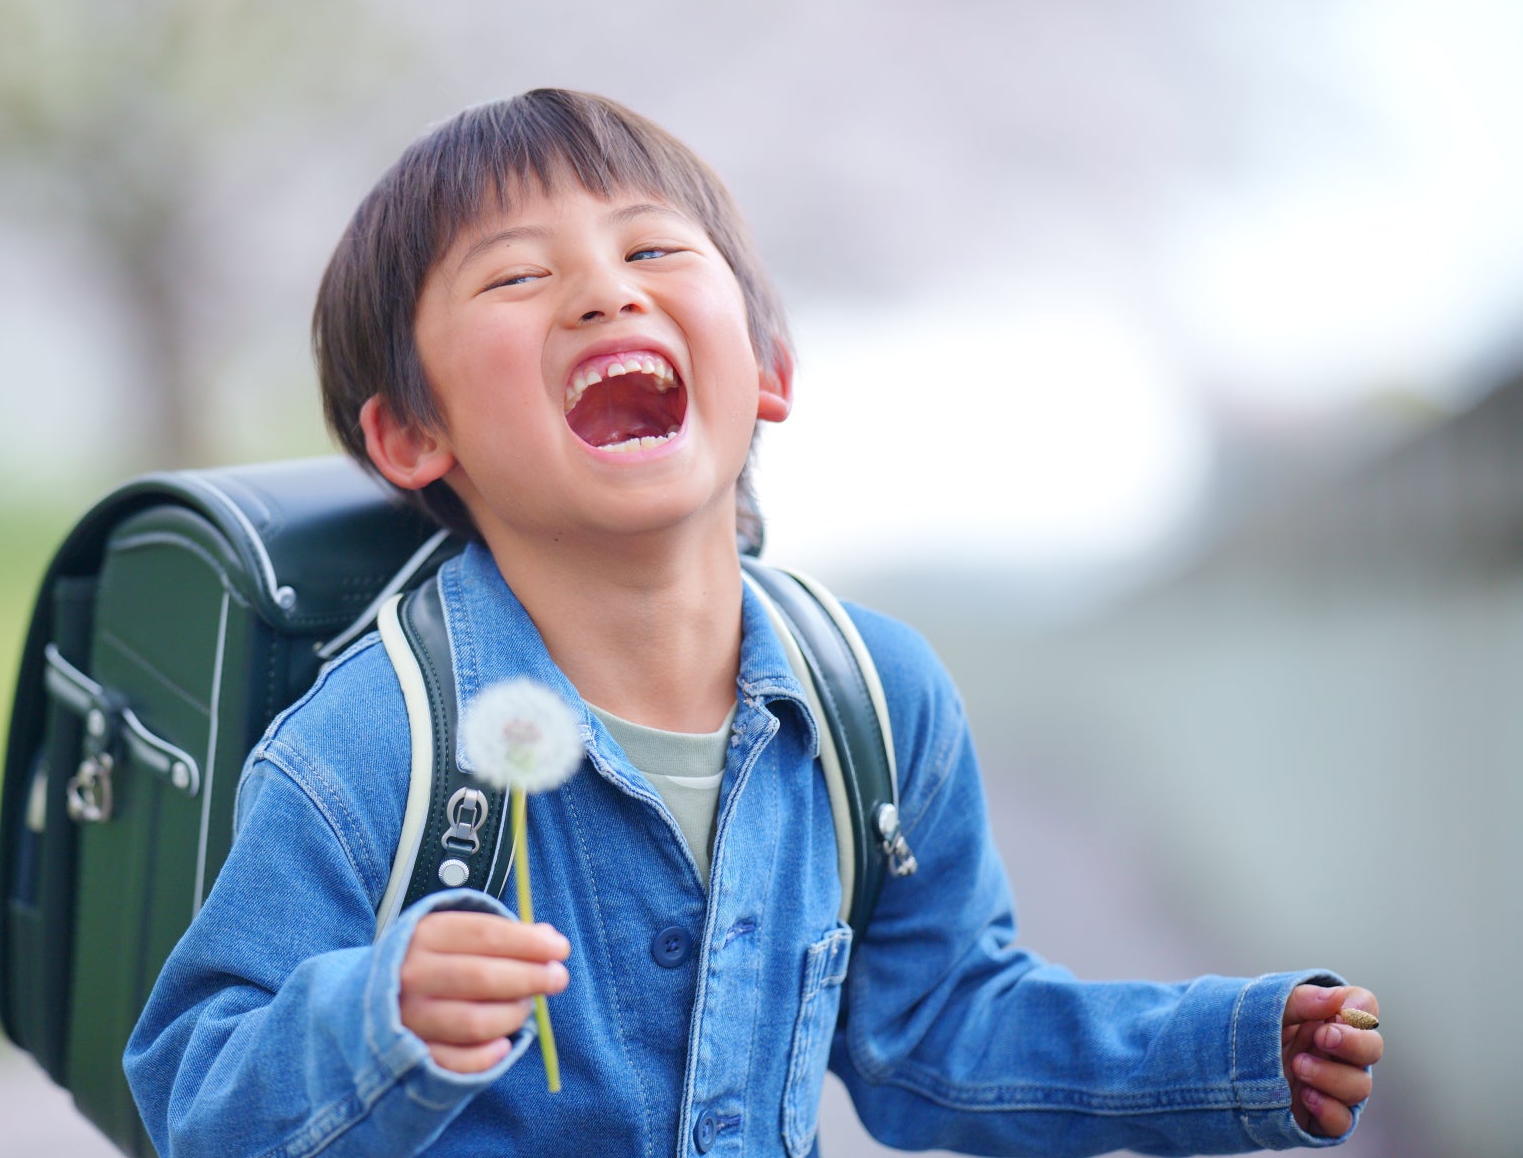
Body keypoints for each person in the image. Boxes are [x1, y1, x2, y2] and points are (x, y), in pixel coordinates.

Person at [122, 89, 1382, 1156]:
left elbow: (939, 1025)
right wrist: (374, 1014)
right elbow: (194, 1084)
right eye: (516, 274)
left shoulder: (873, 698)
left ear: (769, 369)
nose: (603, 294)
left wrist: (1220, 1055)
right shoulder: (375, 739)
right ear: (411, 433)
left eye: (654, 251)